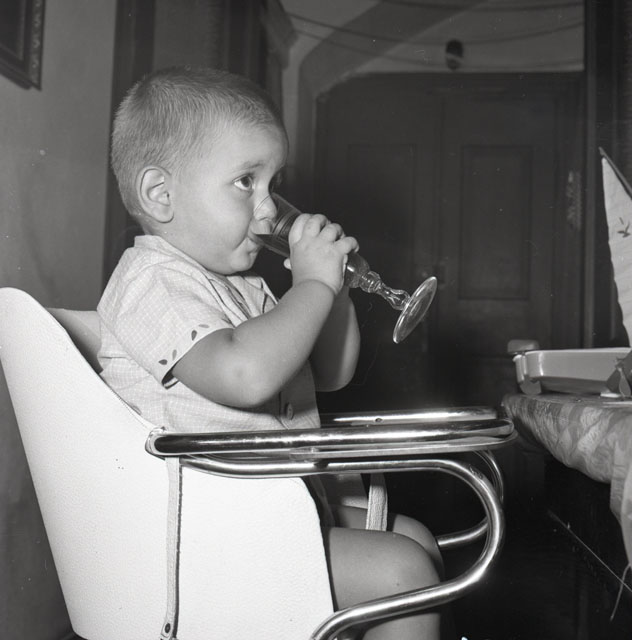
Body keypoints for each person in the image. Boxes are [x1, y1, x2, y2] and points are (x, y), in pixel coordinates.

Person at [98, 65, 442, 640]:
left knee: (415, 540)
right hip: (198, 536)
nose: (268, 209)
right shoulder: (151, 280)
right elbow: (245, 375)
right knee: (401, 570)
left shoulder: (247, 289)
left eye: (272, 183)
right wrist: (311, 285)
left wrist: (333, 296)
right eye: (245, 182)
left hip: (264, 510)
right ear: (160, 194)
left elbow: (330, 374)